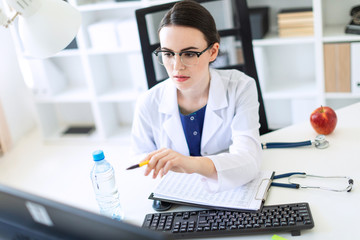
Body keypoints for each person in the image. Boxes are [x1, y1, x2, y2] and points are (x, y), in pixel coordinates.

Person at [131, 0, 262, 192]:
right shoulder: (148, 102)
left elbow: (250, 161)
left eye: (189, 54)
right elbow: (139, 162)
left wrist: (190, 164)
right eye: (168, 54)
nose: (177, 66)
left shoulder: (241, 87)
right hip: (177, 196)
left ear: (213, 52)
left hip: (231, 193)